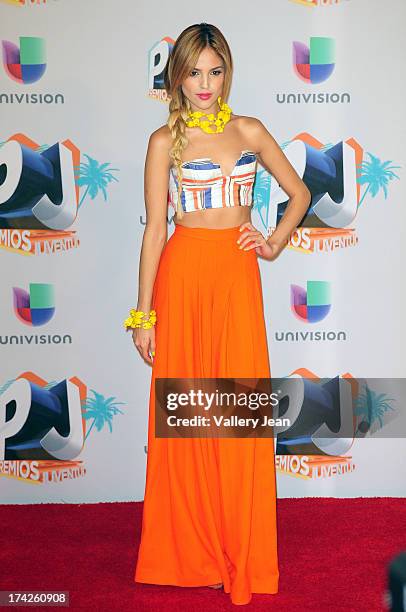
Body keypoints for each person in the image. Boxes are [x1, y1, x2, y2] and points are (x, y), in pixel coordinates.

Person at [125, 22, 311, 606]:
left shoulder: (249, 130)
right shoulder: (162, 142)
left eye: (215, 71)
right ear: (176, 76)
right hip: (183, 280)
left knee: (237, 416)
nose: (205, 84)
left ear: (226, 72)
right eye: (194, 72)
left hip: (235, 279)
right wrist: (143, 315)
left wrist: (275, 241)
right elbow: (154, 231)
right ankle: (193, 553)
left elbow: (300, 193)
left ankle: (236, 547)